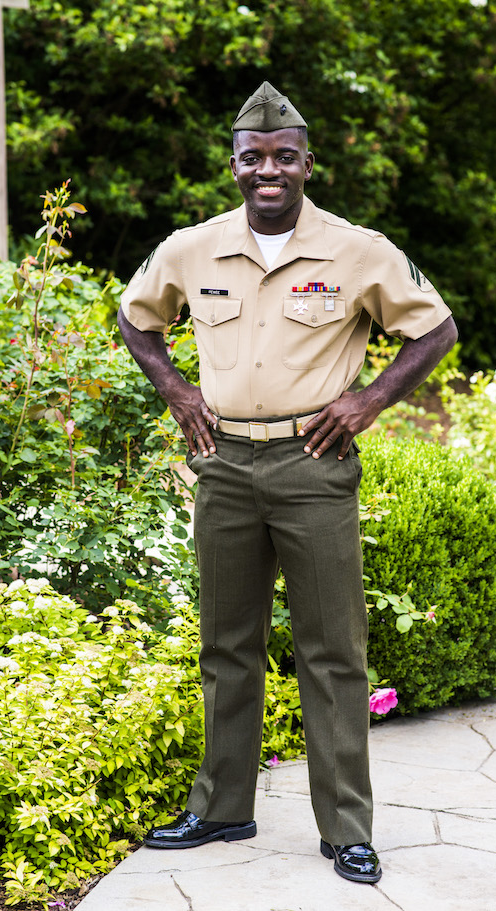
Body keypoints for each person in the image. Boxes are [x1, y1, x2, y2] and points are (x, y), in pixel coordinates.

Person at [117, 81, 457, 885]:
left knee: (332, 650)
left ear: (309, 163)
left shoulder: (358, 250)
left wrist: (368, 400)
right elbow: (138, 316)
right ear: (233, 166)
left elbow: (434, 327)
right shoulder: (190, 248)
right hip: (225, 464)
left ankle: (346, 827)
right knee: (226, 642)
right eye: (252, 157)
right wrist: (177, 391)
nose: (267, 169)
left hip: (313, 466)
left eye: (283, 156)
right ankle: (224, 805)